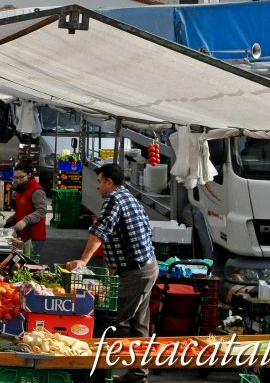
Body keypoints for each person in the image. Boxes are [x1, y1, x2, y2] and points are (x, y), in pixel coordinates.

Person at [67, 164, 157, 383]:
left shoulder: (113, 199)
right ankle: (137, 375)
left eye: (99, 181)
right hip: (146, 267)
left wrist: (83, 260)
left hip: (136, 272)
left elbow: (100, 231)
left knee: (117, 321)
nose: (97, 186)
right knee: (138, 325)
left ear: (109, 182)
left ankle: (107, 371)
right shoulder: (128, 197)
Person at [3, 161, 47, 254]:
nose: (18, 180)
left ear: (29, 175)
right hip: (22, 236)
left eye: (21, 177)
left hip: (34, 237)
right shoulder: (21, 190)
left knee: (28, 260)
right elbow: (21, 211)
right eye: (16, 177)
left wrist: (25, 221)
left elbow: (41, 211)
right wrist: (9, 222)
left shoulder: (36, 191)